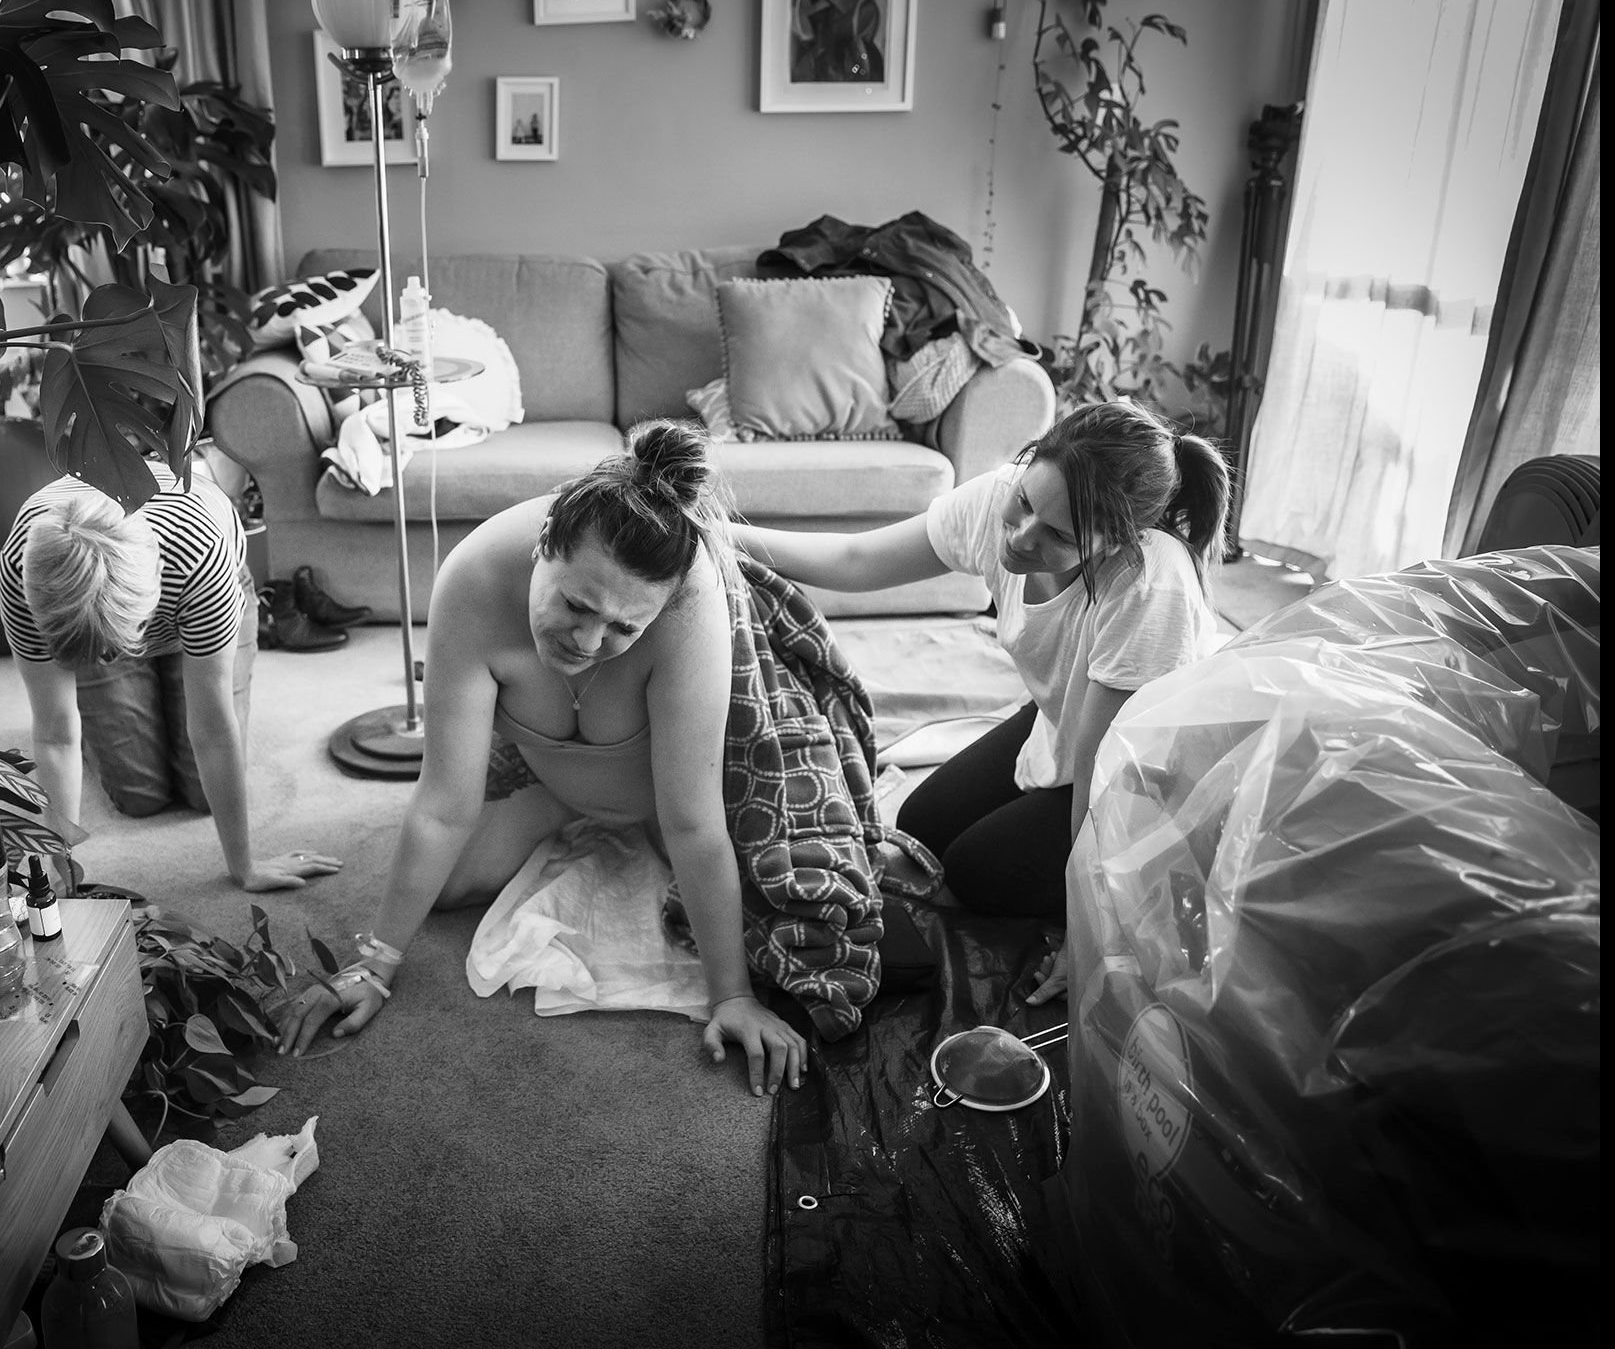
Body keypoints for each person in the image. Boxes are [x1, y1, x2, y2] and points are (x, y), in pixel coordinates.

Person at [271, 421, 812, 1096]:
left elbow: (696, 823)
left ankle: (613, 828)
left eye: (624, 629)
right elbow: (444, 803)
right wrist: (375, 962)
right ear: (545, 540)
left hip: (667, 787)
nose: (588, 641)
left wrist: (730, 995)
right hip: (549, 778)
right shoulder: (472, 578)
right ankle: (561, 809)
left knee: (787, 920)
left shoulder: (691, 607)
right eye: (577, 605)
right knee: (438, 890)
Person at [730, 400, 1231, 1003]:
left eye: (1058, 537)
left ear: (1116, 541)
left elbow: (1103, 783)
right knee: (922, 825)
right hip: (1062, 721)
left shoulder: (1150, 587)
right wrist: (716, 533)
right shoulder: (1005, 499)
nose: (1020, 538)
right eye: (1024, 504)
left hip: (1151, 782)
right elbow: (857, 560)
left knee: (976, 872)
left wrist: (1089, 939)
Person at [1, 458, 345, 893]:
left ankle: (154, 678)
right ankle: (131, 696)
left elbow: (212, 732)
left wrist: (245, 868)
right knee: (139, 797)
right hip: (98, 623)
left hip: (188, 592)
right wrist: (58, 874)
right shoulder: (24, 569)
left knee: (205, 794)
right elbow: (55, 732)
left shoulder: (200, 556)